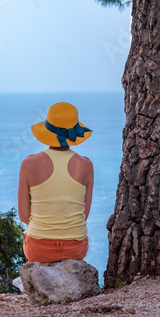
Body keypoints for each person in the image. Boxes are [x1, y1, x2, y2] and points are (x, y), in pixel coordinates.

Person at [18, 101, 94, 263]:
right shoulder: (86, 164)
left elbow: (24, 216)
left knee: (30, 239)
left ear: (47, 131)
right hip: (75, 248)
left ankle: (31, 281)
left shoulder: (29, 163)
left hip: (38, 250)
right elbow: (83, 214)